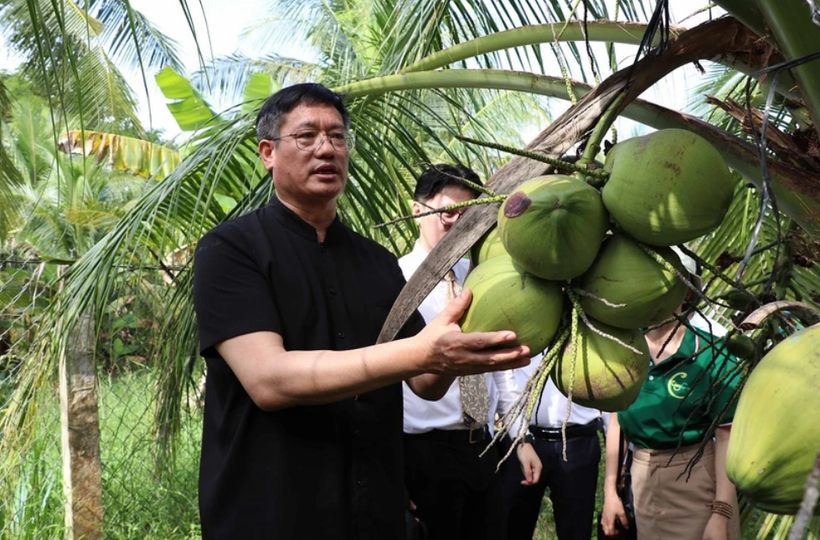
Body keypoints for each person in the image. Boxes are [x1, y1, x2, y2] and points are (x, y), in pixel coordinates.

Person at [191, 83, 532, 540]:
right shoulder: (231, 249)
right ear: (268, 152)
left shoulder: (377, 263)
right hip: (269, 513)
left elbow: (427, 383)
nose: (326, 149)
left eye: (336, 136)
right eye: (307, 136)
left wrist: (481, 329)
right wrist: (423, 354)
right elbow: (269, 380)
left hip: (375, 516)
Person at [399, 164, 541, 540]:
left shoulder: (484, 276)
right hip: (423, 455)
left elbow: (497, 366)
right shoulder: (394, 281)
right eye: (448, 211)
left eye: (469, 215)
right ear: (417, 210)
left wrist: (519, 439)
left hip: (484, 449)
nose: (458, 223)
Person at [600, 253, 742, 540]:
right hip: (642, 479)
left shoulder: (713, 353)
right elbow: (617, 417)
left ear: (688, 292)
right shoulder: (624, 348)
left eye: (665, 283)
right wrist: (610, 493)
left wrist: (720, 513)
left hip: (697, 481)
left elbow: (728, 437)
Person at [500, 359, 604, 540]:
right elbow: (504, 378)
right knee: (512, 525)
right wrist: (519, 435)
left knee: (576, 529)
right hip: (524, 439)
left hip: (577, 442)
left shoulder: (590, 331)